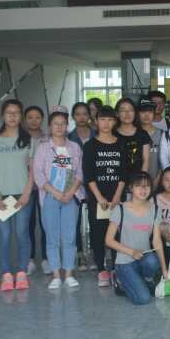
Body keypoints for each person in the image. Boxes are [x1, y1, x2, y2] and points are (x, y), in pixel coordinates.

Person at [0, 99, 35, 292]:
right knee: (3, 235)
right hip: (1, 196)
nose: (13, 116)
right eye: (9, 113)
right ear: (2, 116)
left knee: (22, 233)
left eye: (16, 113)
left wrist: (27, 193)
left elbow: (33, 170)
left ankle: (21, 272)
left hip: (22, 195)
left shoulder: (29, 140)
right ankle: (6, 274)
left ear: (21, 116)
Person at [33, 107, 84, 289]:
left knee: (69, 237)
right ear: (50, 126)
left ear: (67, 125)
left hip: (70, 196)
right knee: (52, 237)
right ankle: (56, 274)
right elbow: (38, 174)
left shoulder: (74, 147)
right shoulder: (43, 148)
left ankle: (68, 274)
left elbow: (80, 173)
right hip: (50, 197)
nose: (60, 127)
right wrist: (55, 192)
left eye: (63, 124)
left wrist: (70, 192)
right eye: (56, 124)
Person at [106, 172, 169, 305]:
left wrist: (164, 270)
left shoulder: (155, 209)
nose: (143, 189)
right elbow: (109, 240)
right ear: (131, 188)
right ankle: (119, 280)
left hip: (144, 259)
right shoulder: (120, 209)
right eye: (139, 186)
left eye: (147, 186)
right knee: (143, 298)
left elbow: (157, 241)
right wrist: (132, 252)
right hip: (124, 262)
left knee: (152, 261)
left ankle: (146, 279)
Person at [82, 105, 126, 288]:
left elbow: (123, 173)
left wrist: (117, 196)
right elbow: (88, 175)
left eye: (110, 120)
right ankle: (101, 269)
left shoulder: (120, 143)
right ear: (96, 122)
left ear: (114, 122)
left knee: (117, 233)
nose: (106, 123)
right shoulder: (90, 146)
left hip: (117, 198)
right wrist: (99, 197)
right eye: (102, 119)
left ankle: (116, 268)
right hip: (97, 199)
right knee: (98, 233)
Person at [68, 102, 95, 270]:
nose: (82, 117)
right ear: (73, 116)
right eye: (78, 114)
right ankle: (79, 255)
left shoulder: (97, 135)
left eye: (85, 113)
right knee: (76, 221)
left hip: (95, 183)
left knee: (94, 219)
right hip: (74, 183)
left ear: (89, 115)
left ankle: (94, 253)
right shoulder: (68, 138)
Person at [24, 105, 48, 275]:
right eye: (30, 117)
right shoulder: (20, 138)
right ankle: (30, 259)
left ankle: (46, 259)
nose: (34, 120)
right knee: (28, 225)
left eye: (37, 117)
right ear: (25, 119)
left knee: (46, 224)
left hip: (45, 187)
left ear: (42, 119)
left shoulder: (48, 138)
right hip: (27, 188)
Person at [114, 98, 151, 180]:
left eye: (130, 110)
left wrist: (141, 180)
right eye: (123, 110)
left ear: (135, 113)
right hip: (116, 180)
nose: (127, 113)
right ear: (117, 114)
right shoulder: (112, 134)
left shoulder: (143, 134)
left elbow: (146, 160)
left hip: (137, 180)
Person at [137, 99, 164, 184]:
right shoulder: (134, 133)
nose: (146, 115)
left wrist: (157, 179)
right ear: (138, 113)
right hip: (137, 182)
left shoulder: (162, 134)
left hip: (157, 180)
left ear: (154, 113)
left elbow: (164, 160)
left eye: (150, 111)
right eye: (143, 111)